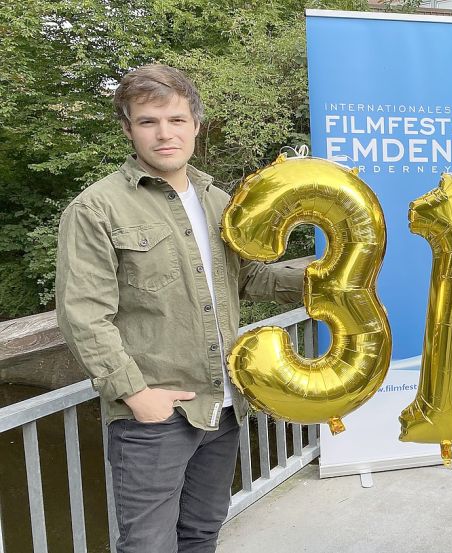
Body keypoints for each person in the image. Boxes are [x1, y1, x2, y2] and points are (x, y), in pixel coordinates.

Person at [55, 64, 305, 553]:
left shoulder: (219, 201)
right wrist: (135, 394)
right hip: (154, 416)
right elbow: (84, 315)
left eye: (175, 119)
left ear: (196, 123)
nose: (164, 133)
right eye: (148, 122)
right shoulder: (95, 209)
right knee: (148, 545)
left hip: (223, 403)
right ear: (128, 129)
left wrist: (326, 281)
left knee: (200, 535)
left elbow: (249, 277)